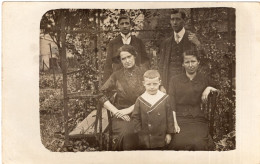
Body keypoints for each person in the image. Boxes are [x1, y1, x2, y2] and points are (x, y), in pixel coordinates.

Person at [168, 49, 218, 150]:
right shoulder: (175, 80)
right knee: (179, 143)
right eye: (187, 62)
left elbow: (218, 89)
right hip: (180, 118)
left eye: (193, 61)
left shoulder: (204, 79)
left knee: (199, 143)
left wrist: (209, 88)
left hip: (198, 118)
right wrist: (174, 123)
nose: (190, 65)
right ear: (183, 64)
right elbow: (171, 103)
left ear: (198, 62)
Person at [99, 45, 146, 150]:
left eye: (129, 57)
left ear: (134, 56)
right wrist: (116, 111)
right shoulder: (116, 75)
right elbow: (100, 93)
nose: (127, 61)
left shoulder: (144, 73)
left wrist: (131, 109)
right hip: (122, 116)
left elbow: (151, 93)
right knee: (128, 134)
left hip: (142, 113)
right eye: (123, 59)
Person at [131, 70, 179, 150]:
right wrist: (140, 133)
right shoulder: (140, 99)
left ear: (159, 82)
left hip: (161, 137)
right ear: (144, 84)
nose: (152, 87)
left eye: (155, 84)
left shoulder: (165, 98)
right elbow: (135, 117)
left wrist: (169, 133)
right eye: (148, 84)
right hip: (146, 138)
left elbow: (169, 118)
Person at [158, 9, 202, 92]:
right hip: (169, 86)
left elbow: (203, 61)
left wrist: (198, 44)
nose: (174, 22)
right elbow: (161, 65)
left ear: (184, 21)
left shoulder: (193, 39)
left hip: (189, 85)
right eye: (172, 19)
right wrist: (161, 85)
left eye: (177, 19)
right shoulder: (166, 42)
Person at [103, 15, 150, 82]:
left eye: (127, 23)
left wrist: (145, 76)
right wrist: (106, 84)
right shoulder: (113, 43)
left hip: (137, 80)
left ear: (130, 25)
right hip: (120, 81)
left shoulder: (138, 42)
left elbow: (145, 61)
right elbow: (108, 64)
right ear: (118, 26)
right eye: (122, 24)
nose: (124, 26)